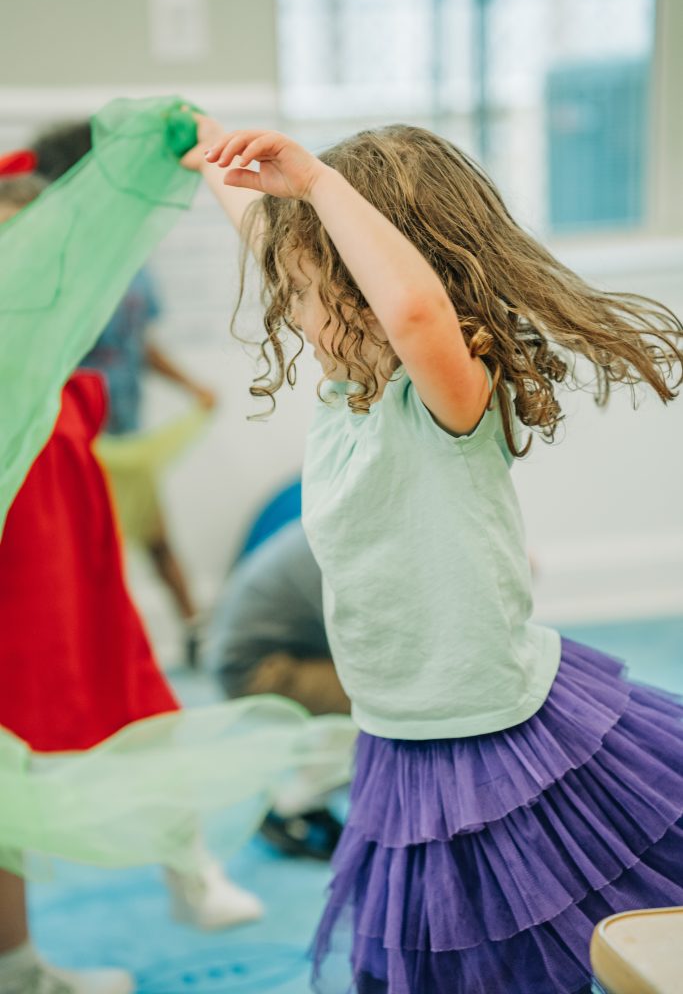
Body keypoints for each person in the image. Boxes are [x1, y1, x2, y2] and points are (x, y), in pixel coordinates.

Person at [181, 118, 683, 993]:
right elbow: (265, 229)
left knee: (540, 926)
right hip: (395, 729)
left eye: (309, 289)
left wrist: (321, 187)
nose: (293, 312)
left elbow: (413, 310)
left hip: (493, 720)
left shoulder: (449, 395)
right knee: (445, 948)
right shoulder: (346, 394)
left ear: (376, 284)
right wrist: (207, 150)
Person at [0, 176, 263, 994]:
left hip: (72, 559)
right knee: (8, 765)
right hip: (21, 572)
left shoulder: (61, 362)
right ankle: (18, 965)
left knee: (139, 705)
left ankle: (188, 868)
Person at [33, 121, 217, 667]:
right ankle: (87, 657)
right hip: (71, 437)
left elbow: (140, 341)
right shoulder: (54, 259)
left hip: (125, 430)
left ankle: (194, 632)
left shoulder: (128, 253)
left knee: (156, 541)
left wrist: (191, 386)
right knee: (85, 553)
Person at [207, 484, 348, 861]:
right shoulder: (343, 541)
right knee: (382, 703)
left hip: (260, 653)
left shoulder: (331, 521)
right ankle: (293, 805)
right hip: (255, 669)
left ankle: (312, 792)